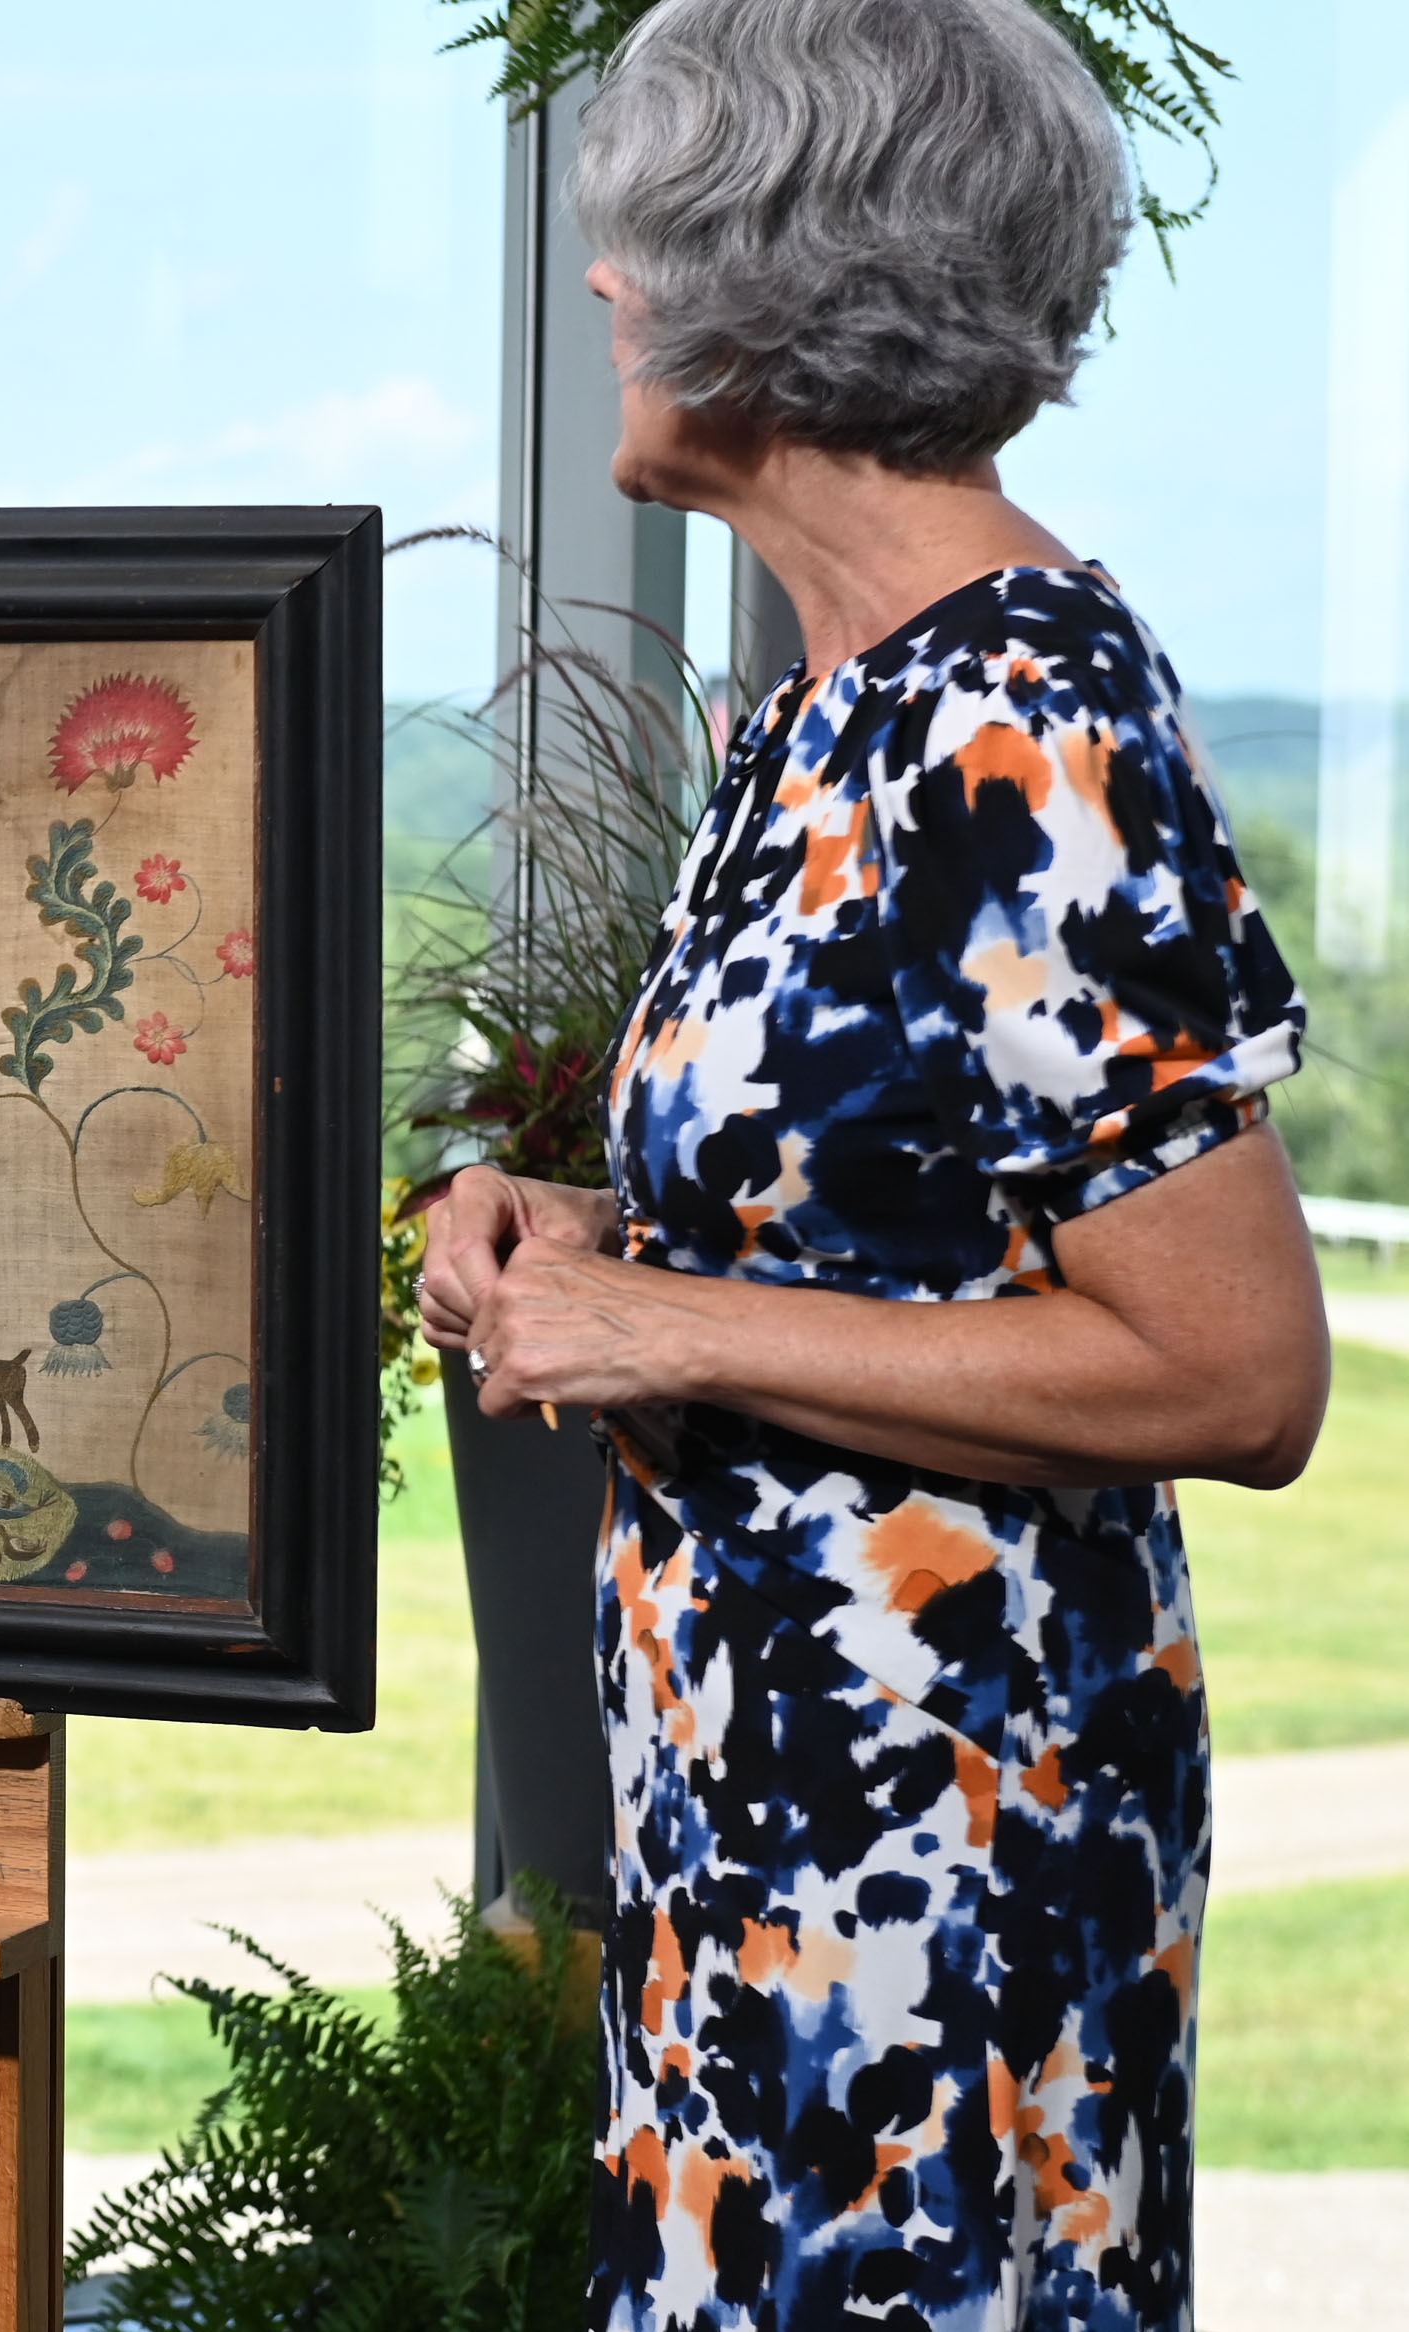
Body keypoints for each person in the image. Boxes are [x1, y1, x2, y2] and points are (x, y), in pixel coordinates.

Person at [417, 3, 1328, 2323]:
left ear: (775, 274)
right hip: (759, 1837)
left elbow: (1235, 1370)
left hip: (939, 1893)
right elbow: (894, 1230)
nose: (605, 292)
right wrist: (582, 1246)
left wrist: (667, 1321)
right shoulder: (826, 702)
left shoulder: (1021, 713)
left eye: (641, 238)